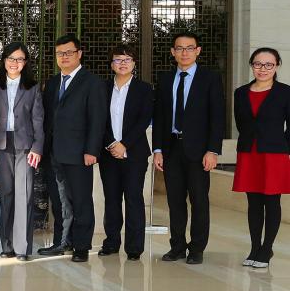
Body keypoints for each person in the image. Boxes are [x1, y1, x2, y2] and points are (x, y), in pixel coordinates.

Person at [152, 31, 225, 265]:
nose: (184, 52)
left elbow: (217, 117)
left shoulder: (210, 78)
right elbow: (160, 117)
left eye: (189, 48)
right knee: (175, 201)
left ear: (198, 50)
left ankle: (197, 248)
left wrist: (213, 150)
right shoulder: (164, 79)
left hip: (199, 151)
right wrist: (158, 150)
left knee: (199, 200)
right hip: (172, 148)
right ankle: (177, 247)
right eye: (179, 48)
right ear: (173, 52)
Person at [40, 34, 107, 263]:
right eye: (60, 53)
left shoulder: (92, 82)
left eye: (69, 52)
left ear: (79, 54)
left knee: (80, 200)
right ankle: (62, 242)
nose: (64, 57)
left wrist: (92, 150)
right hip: (53, 153)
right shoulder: (51, 83)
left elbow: (97, 120)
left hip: (79, 153)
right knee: (58, 201)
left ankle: (81, 245)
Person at [0, 42, 44, 262]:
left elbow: (38, 120)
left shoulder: (33, 88)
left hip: (25, 146)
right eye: (10, 58)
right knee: (6, 195)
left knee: (24, 195)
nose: (14, 63)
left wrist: (37, 148)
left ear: (25, 63)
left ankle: (23, 248)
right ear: (4, 61)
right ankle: (7, 245)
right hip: (1, 145)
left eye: (19, 59)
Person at [232, 47, 289, 269]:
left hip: (274, 154)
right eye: (258, 64)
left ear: (277, 66)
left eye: (268, 65)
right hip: (249, 153)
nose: (263, 69)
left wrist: (283, 147)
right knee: (253, 203)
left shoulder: (285, 92)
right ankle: (255, 247)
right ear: (252, 65)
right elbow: (241, 123)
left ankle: (267, 249)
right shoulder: (241, 92)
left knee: (272, 201)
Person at [98, 45, 153, 261]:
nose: (122, 63)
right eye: (118, 59)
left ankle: (134, 248)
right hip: (108, 153)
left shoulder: (144, 89)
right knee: (111, 199)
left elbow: (144, 120)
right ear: (111, 64)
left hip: (135, 154)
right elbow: (98, 119)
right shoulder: (101, 88)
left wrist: (124, 145)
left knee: (133, 199)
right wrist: (112, 143)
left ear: (134, 64)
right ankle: (111, 243)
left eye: (127, 59)